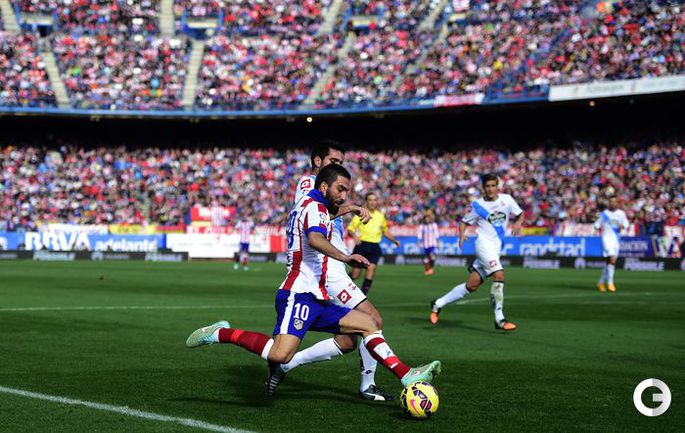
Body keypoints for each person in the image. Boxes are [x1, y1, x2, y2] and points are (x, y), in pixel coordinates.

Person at [186, 164, 442, 394]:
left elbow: (327, 216)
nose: (344, 195)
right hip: (298, 294)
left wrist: (350, 208)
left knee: (368, 324)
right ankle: (220, 333)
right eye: (340, 189)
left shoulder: (311, 206)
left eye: (347, 191)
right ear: (324, 187)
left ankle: (406, 374)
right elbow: (315, 238)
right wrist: (345, 257)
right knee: (279, 355)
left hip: (317, 297)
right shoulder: (314, 207)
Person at [271, 140, 394, 402]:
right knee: (373, 320)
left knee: (348, 341)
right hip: (327, 268)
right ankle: (368, 386)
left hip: (334, 266)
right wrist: (351, 209)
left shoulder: (329, 192)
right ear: (318, 161)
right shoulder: (309, 183)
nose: (338, 166)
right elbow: (313, 214)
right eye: (334, 161)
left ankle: (286, 365)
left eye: (340, 162)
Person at [429, 174, 523, 331]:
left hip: (496, 248)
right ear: (483, 188)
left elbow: (520, 213)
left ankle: (438, 303)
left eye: (493, 185)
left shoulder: (507, 200)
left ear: (497, 186)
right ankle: (499, 319)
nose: (490, 189)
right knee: (499, 274)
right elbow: (464, 221)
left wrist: (518, 223)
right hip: (483, 245)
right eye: (487, 186)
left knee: (472, 285)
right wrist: (461, 235)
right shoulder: (478, 205)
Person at [348, 193, 400, 294]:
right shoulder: (361, 214)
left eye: (375, 200)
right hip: (362, 246)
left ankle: (363, 296)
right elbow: (351, 229)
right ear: (366, 201)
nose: (373, 202)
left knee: (370, 271)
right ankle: (341, 287)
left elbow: (385, 231)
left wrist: (394, 240)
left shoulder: (380, 216)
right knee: (355, 275)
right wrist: (355, 236)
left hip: (375, 247)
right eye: (370, 200)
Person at [594, 195, 630, 292]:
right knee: (612, 259)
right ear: (609, 203)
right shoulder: (604, 213)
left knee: (609, 262)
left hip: (616, 240)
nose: (613, 203)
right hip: (606, 238)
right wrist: (596, 226)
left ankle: (601, 282)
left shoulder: (621, 213)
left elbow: (626, 223)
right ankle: (610, 283)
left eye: (614, 201)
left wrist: (622, 226)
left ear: (617, 203)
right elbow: (597, 223)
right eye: (611, 201)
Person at [418, 210, 440, 275]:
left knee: (432, 256)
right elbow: (419, 234)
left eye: (428, 218)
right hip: (425, 244)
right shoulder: (422, 226)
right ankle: (428, 270)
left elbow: (437, 234)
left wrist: (438, 242)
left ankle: (430, 269)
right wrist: (418, 242)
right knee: (426, 259)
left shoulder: (433, 225)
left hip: (432, 244)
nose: (427, 220)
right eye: (426, 219)